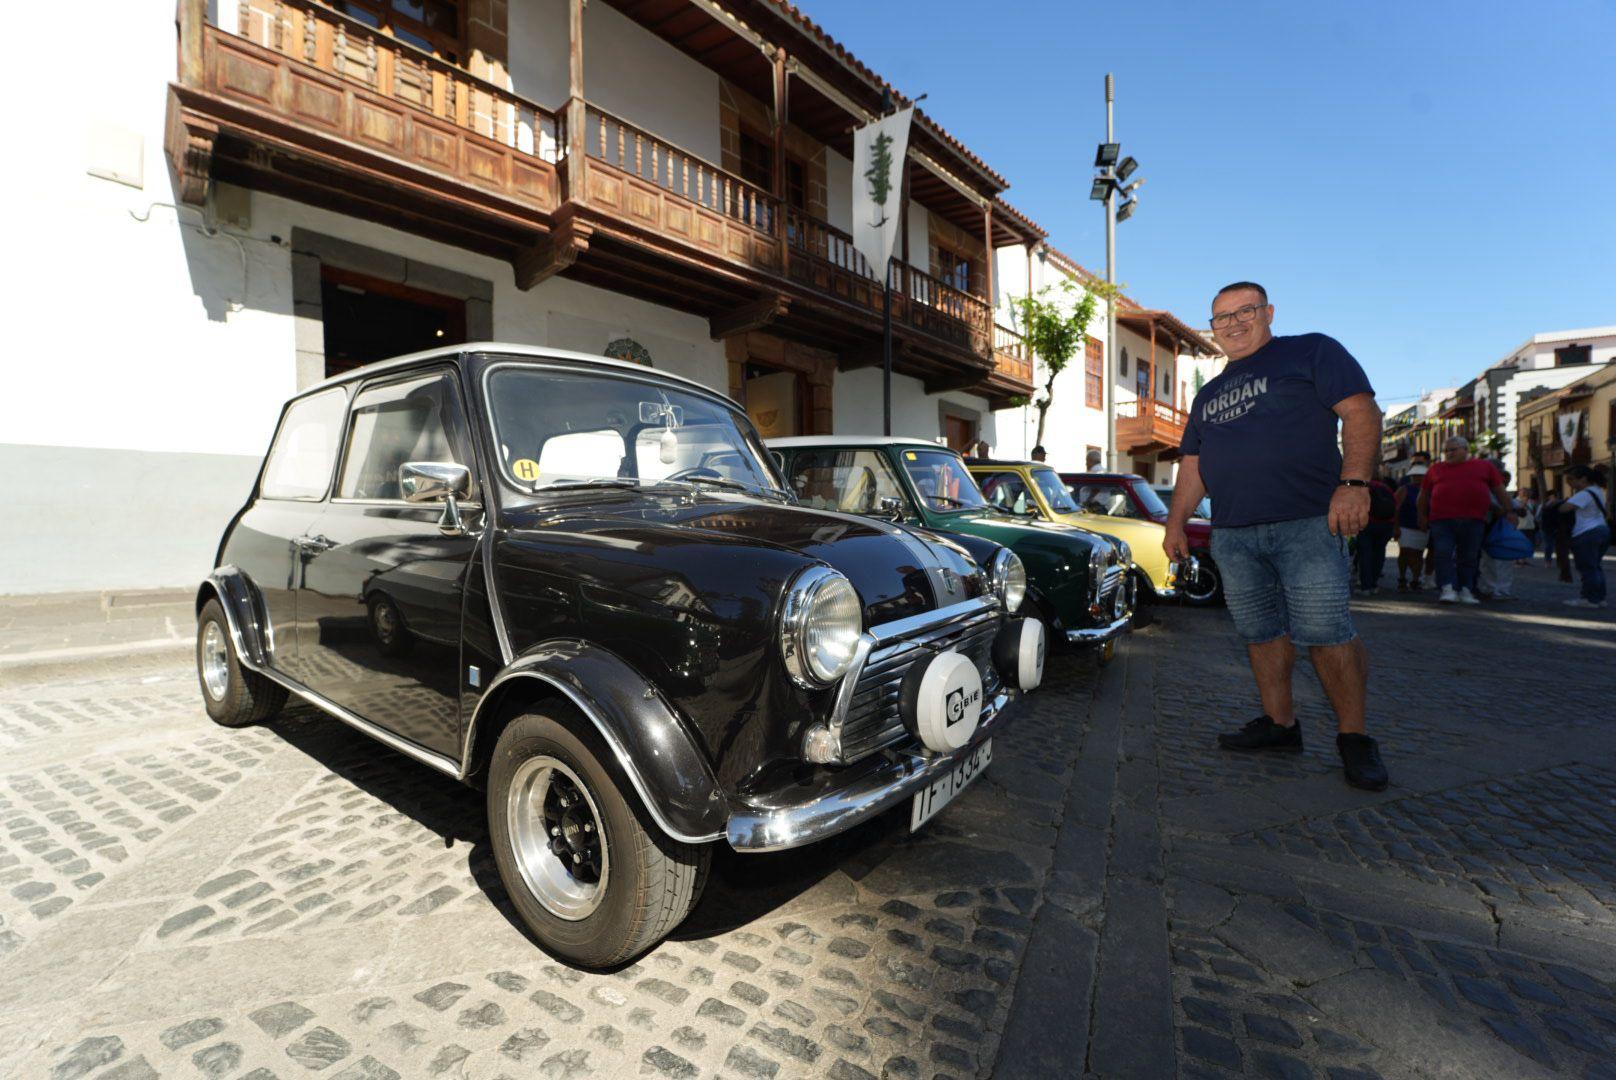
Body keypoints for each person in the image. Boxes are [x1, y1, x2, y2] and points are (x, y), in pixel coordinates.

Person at [1164, 281, 1388, 791]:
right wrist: (1176, 522)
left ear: (1268, 312)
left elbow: (1361, 411)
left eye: (1245, 311)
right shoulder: (1209, 393)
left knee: (1327, 632)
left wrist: (1354, 484)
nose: (1234, 323)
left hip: (1308, 523)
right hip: (1234, 533)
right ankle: (1280, 724)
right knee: (1261, 632)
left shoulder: (1311, 350)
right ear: (1213, 328)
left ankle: (1354, 739)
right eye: (1222, 317)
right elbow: (1194, 464)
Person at [1418, 436, 1508, 605]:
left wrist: (1509, 510)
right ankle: (1447, 588)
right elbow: (1424, 495)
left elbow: (1499, 490)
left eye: (1453, 450)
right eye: (1446, 451)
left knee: (1469, 556)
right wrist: (1422, 515)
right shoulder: (1435, 469)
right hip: (1441, 520)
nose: (1448, 454)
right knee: (1443, 554)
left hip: (1474, 519)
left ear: (1465, 450)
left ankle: (1466, 589)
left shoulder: (1484, 466)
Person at [1561, 465, 1611, 608]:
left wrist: (1557, 503)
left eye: (1571, 480)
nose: (1569, 483)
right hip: (1601, 529)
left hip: (1587, 532)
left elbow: (1564, 508)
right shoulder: (1598, 491)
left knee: (1587, 567)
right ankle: (1600, 598)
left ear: (1583, 479)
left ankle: (1589, 599)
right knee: (1595, 566)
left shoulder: (1584, 494)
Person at [1477, 471, 1522, 600]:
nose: (1506, 483)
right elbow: (1494, 509)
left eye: (1508, 480)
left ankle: (1503, 589)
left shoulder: (1507, 496)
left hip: (1505, 532)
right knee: (1489, 562)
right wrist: (1508, 511)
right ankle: (1491, 588)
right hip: (1490, 531)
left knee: (1505, 562)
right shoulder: (1489, 494)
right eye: (1504, 480)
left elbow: (1521, 510)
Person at [1355, 470, 1396, 594]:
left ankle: (1365, 586)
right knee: (1379, 553)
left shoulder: (1363, 487)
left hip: (1367, 524)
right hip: (1386, 525)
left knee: (1365, 555)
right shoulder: (1387, 488)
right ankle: (1374, 584)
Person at [1393, 461, 1429, 591]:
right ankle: (1402, 578)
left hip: (1423, 528)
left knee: (1419, 554)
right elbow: (1396, 508)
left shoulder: (1429, 490)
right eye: (1415, 475)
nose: (1418, 478)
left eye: (1421, 475)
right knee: (1405, 552)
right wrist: (1396, 527)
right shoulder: (1404, 489)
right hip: (1405, 526)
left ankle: (1415, 579)